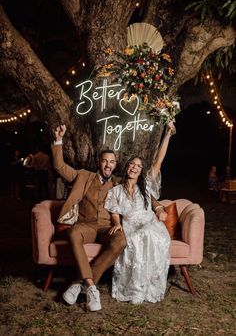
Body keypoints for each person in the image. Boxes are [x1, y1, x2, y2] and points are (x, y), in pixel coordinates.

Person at [52, 125, 127, 312]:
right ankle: (92, 288)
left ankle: (79, 283)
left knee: (121, 241)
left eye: (112, 162)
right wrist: (58, 140)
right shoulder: (83, 175)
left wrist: (157, 206)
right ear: (98, 162)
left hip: (105, 227)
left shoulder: (118, 183)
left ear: (115, 165)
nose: (108, 165)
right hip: (84, 225)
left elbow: (141, 187)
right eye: (104, 161)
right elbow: (59, 166)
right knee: (74, 233)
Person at [104, 123, 175, 304]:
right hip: (129, 225)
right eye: (132, 164)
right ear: (126, 167)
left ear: (141, 171)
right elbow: (114, 212)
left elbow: (159, 161)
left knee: (148, 234)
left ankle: (147, 286)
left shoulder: (145, 187)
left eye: (138, 166)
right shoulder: (116, 190)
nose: (135, 167)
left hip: (148, 223)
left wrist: (167, 135)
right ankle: (134, 288)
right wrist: (117, 223)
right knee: (133, 239)